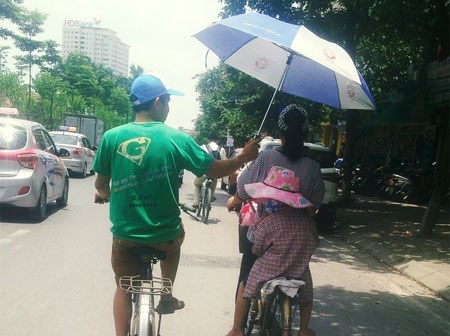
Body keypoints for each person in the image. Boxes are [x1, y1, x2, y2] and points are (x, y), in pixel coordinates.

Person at [93, 74, 261, 336]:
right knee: (175, 240)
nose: (169, 108)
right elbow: (214, 170)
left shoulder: (112, 137)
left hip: (125, 236)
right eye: (168, 101)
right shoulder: (177, 139)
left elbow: (101, 185)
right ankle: (167, 294)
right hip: (165, 235)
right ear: (157, 102)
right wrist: (243, 158)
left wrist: (104, 193)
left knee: (123, 289)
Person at [226, 104, 325, 336]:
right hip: (298, 243)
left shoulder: (267, 157)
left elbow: (243, 188)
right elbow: (316, 203)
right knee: (304, 277)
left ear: (280, 134)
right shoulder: (312, 166)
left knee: (248, 278)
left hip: (265, 238)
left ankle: (237, 328)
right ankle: (303, 329)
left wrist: (237, 199)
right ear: (305, 134)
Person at [192, 133, 227, 208]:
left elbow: (198, 158)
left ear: (208, 140)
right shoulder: (222, 149)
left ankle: (196, 202)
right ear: (217, 141)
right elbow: (224, 162)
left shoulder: (203, 147)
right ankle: (211, 195)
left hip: (204, 172)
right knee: (215, 179)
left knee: (196, 184)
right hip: (215, 173)